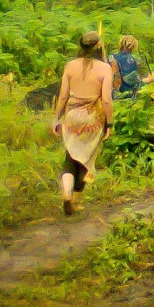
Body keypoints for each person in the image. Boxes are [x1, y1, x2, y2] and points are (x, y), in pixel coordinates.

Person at [53, 31, 114, 216]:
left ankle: (66, 194)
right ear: (99, 47)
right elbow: (106, 100)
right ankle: (75, 201)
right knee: (85, 159)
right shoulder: (104, 69)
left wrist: (56, 118)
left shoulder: (70, 66)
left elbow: (63, 95)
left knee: (70, 157)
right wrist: (109, 124)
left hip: (71, 115)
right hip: (91, 117)